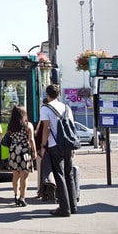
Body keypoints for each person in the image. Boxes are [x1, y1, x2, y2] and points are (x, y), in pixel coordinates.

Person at [40, 84, 78, 217]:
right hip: (68, 144)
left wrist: (43, 146)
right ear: (58, 94)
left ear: (47, 94)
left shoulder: (45, 108)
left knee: (59, 176)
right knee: (69, 175)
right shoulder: (66, 107)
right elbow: (72, 126)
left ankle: (64, 208)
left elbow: (46, 128)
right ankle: (73, 206)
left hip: (54, 145)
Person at [6, 105, 36, 207]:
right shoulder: (28, 125)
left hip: (14, 150)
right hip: (24, 151)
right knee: (24, 176)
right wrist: (34, 151)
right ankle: (22, 198)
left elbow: (8, 136)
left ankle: (16, 195)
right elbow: (31, 139)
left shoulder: (10, 126)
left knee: (15, 175)